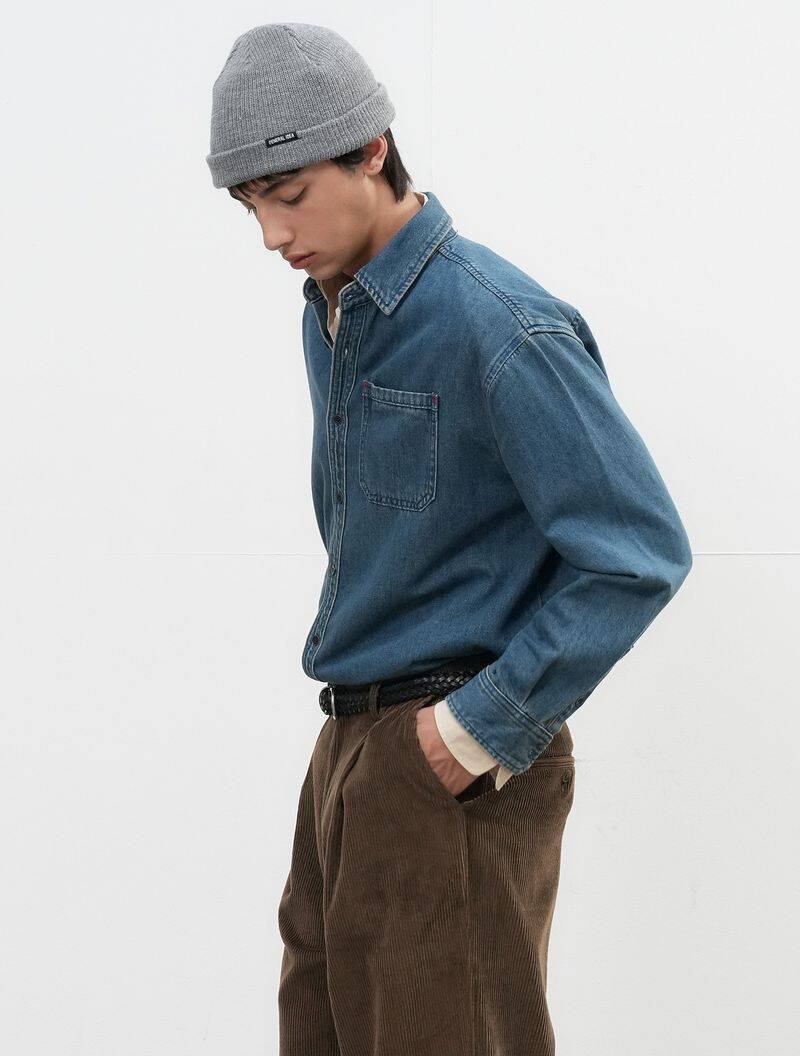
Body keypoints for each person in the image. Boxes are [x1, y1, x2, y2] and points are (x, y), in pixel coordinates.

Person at [206, 22, 693, 1056]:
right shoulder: (332, 313)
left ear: (371, 150)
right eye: (250, 205)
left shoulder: (498, 325)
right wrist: (368, 760)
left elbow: (638, 551)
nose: (271, 234)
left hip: (451, 757)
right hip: (350, 748)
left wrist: (471, 731)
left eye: (288, 194)